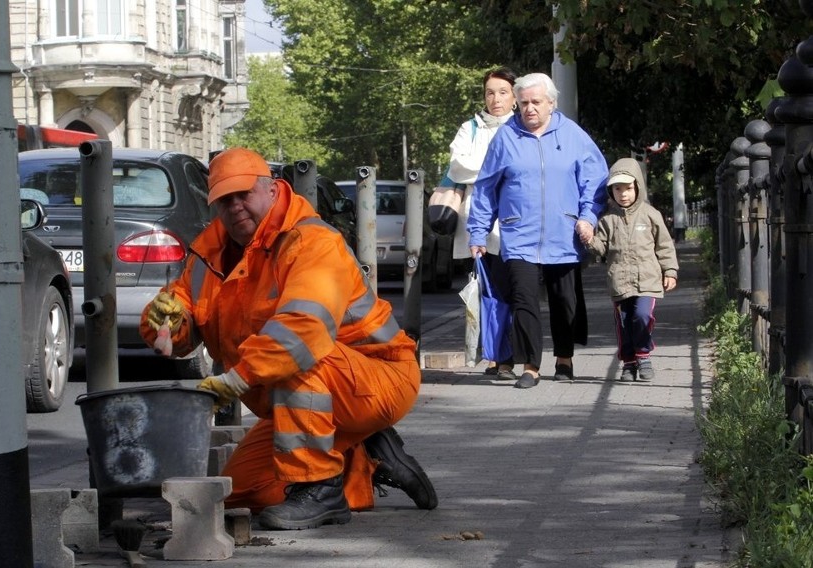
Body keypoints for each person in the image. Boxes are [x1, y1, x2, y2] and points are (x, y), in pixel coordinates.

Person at [139, 148, 437, 530]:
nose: (235, 207)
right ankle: (364, 458)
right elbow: (179, 333)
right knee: (244, 494)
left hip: (382, 377)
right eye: (224, 200)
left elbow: (301, 330)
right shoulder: (208, 255)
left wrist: (234, 379)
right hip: (317, 393)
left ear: (273, 189)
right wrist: (162, 321)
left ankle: (320, 488)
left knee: (293, 356)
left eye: (243, 195)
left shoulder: (311, 241)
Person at [467, 72, 608, 389]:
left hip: (565, 234)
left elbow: (596, 181)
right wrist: (478, 232)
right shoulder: (506, 137)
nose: (529, 108)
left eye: (536, 102)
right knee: (524, 300)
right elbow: (486, 187)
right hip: (519, 234)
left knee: (564, 302)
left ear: (551, 103)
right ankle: (531, 366)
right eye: (524, 103)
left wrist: (587, 216)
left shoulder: (573, 135)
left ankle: (564, 358)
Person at [448, 66, 518, 380]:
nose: (495, 98)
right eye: (490, 92)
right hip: (479, 225)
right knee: (487, 293)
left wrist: (486, 171)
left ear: (515, 96)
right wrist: (497, 170)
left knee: (514, 291)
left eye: (503, 92)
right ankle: (495, 357)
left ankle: (511, 354)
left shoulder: (521, 127)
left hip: (515, 224)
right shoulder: (470, 128)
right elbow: (458, 167)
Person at [583, 157, 679, 381]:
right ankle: (629, 363)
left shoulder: (650, 215)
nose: (623, 194)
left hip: (648, 280)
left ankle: (643, 355)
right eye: (618, 189)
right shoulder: (607, 220)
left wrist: (670, 271)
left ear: (638, 187)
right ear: (611, 191)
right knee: (624, 322)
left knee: (642, 315)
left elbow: (664, 245)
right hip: (620, 281)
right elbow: (600, 248)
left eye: (628, 188)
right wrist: (588, 239)